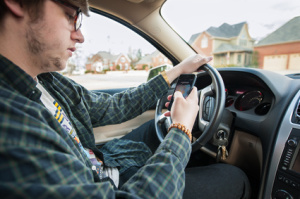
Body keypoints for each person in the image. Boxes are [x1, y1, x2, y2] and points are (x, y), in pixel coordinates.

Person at [0, 0, 250, 198]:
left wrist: (176, 71)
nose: (80, 36)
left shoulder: (46, 80)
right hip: (109, 185)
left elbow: (109, 107)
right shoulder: (11, 123)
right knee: (235, 179)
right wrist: (181, 129)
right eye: (70, 16)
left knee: (156, 133)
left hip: (102, 162)